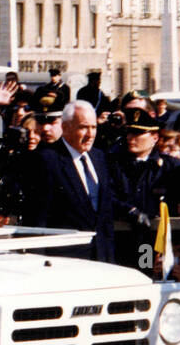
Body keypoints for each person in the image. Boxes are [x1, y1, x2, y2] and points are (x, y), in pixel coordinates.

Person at [22, 101, 115, 262]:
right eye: (83, 127)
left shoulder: (99, 158)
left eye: (93, 127)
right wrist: (38, 262)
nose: (90, 134)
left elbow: (103, 209)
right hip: (65, 261)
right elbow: (37, 219)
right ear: (66, 128)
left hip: (102, 258)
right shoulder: (47, 160)